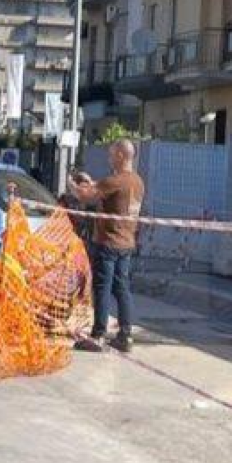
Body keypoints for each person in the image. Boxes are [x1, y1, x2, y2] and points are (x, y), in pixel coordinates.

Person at [70, 140, 145, 353]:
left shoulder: (116, 180)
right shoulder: (137, 182)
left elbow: (85, 196)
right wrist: (91, 182)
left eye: (112, 154)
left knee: (102, 288)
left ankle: (98, 334)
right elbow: (106, 190)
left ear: (121, 155)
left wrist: (72, 185)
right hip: (127, 242)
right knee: (122, 288)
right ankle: (125, 335)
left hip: (108, 242)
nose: (109, 158)